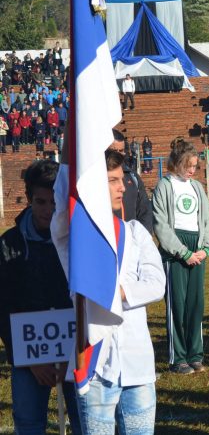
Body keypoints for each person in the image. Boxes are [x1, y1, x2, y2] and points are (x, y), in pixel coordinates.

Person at [53, 150, 165, 434]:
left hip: (137, 362)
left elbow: (156, 284)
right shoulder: (72, 237)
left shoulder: (136, 231)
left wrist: (112, 294)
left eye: (122, 179)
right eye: (113, 180)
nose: (122, 186)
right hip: (95, 365)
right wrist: (72, 142)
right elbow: (62, 194)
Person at [0, 160, 82, 434]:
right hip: (28, 355)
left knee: (86, 422)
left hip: (75, 350)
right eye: (41, 202)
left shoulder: (78, 240)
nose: (48, 210)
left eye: (54, 202)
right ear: (29, 198)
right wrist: (31, 358)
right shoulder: (9, 244)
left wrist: (72, 355)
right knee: (29, 422)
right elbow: (3, 305)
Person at [153, 138, 209, 375]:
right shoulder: (164, 185)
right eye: (187, 165)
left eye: (194, 166)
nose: (191, 170)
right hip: (175, 252)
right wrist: (183, 252)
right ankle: (177, 358)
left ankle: (195, 354)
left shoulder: (197, 187)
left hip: (197, 248)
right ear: (176, 162)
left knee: (195, 305)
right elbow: (161, 224)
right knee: (177, 307)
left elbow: (207, 219)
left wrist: (206, 248)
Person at [111, 129, 153, 232]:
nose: (118, 155)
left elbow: (145, 210)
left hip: (131, 243)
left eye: (121, 151)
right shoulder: (94, 180)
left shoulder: (133, 176)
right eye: (113, 151)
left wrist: (144, 238)